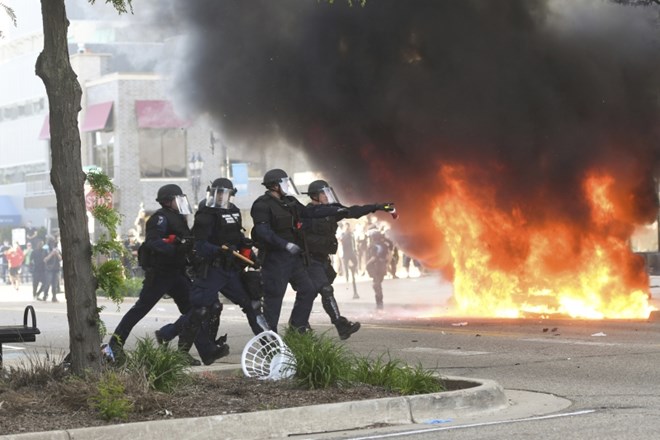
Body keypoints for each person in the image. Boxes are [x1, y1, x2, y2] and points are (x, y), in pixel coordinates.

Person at [162, 178, 268, 365]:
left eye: (225, 193)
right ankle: (180, 348)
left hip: (231, 269)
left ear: (231, 195)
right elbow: (200, 244)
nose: (221, 196)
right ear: (213, 193)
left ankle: (270, 346)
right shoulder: (206, 214)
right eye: (218, 193)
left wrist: (248, 249)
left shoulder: (234, 212)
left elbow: (237, 236)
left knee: (252, 305)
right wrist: (218, 250)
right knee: (201, 309)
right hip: (211, 269)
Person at [105, 184, 199, 365]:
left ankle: (181, 351)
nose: (180, 203)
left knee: (195, 310)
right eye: (176, 199)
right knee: (140, 309)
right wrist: (176, 248)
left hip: (177, 272)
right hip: (161, 274)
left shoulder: (180, 218)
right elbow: (153, 243)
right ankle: (115, 344)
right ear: (167, 201)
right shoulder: (160, 218)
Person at [250, 169, 345, 332]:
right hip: (275, 261)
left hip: (294, 259)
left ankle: (297, 327)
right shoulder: (262, 205)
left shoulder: (290, 202)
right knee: (273, 303)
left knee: (308, 289)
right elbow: (263, 232)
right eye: (284, 183)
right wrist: (285, 245)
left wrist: (340, 210)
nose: (287, 185)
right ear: (274, 186)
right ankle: (269, 341)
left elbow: (307, 214)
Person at [303, 179, 394, 339]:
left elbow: (353, 212)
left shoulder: (329, 211)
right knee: (325, 290)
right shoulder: (307, 214)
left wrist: (377, 207)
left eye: (327, 192)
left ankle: (301, 324)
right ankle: (340, 325)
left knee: (311, 293)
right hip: (309, 260)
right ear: (315, 196)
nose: (326, 196)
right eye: (323, 193)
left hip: (323, 259)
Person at [365, 227, 391, 310]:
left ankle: (379, 306)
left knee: (377, 286)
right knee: (378, 285)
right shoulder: (384, 245)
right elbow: (389, 256)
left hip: (376, 267)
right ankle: (380, 305)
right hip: (382, 267)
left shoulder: (373, 246)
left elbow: (373, 257)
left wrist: (366, 264)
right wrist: (386, 264)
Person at [339, 222, 359, 299]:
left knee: (351, 271)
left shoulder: (348, 235)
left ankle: (354, 291)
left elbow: (351, 244)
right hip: (348, 254)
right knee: (348, 269)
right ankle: (348, 277)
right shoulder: (346, 234)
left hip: (349, 254)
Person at [37, 237, 61, 302]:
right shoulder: (46, 250)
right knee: (47, 283)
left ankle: (54, 297)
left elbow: (60, 258)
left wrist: (57, 254)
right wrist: (51, 254)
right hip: (49, 269)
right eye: (52, 242)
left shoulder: (57, 249)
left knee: (55, 284)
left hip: (56, 269)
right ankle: (45, 296)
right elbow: (45, 260)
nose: (53, 243)